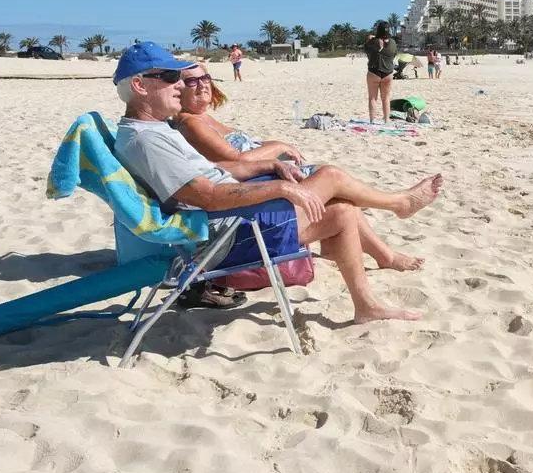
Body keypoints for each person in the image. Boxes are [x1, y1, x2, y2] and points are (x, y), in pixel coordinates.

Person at [112, 42, 443, 323]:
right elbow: (209, 196)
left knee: (340, 207)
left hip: (228, 221)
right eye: (170, 77)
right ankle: (397, 206)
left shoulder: (150, 131)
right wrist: (280, 188)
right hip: (225, 235)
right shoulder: (147, 140)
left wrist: (268, 166)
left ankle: (366, 306)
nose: (180, 85)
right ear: (140, 86)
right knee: (332, 181)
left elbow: (213, 172)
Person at [170, 63, 428, 272]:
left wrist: (275, 149)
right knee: (332, 176)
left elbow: (235, 157)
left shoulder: (202, 117)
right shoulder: (191, 124)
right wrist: (278, 146)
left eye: (205, 77)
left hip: (258, 186)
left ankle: (381, 254)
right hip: (249, 202)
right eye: (192, 81)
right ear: (178, 88)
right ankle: (397, 204)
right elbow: (239, 160)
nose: (202, 84)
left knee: (340, 195)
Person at [363, 22, 396, 123]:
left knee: (373, 98)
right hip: (388, 73)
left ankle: (372, 120)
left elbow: (366, 49)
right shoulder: (393, 43)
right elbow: (394, 55)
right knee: (386, 98)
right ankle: (386, 119)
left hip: (374, 72)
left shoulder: (373, 42)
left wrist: (370, 39)